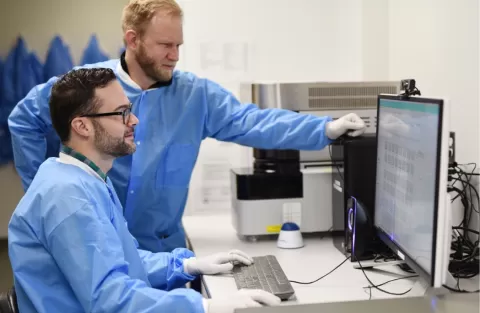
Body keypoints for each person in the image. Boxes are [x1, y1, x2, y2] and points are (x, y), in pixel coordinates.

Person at [8, 0, 366, 253]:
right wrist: (41, 187)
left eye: (178, 45)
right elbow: (22, 119)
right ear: (133, 40)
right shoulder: (87, 87)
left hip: (163, 251)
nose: (175, 55)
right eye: (165, 45)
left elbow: (253, 121)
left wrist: (323, 129)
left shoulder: (195, 96)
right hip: (97, 244)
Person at [8, 68, 281, 313]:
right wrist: (204, 306)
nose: (134, 120)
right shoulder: (68, 196)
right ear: (82, 126)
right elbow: (111, 299)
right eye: (121, 113)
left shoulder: (87, 179)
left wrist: (188, 265)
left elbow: (123, 258)